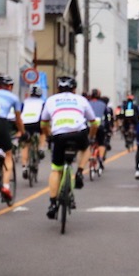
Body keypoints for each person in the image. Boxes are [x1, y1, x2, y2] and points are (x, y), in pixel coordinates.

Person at [40, 74, 98, 219]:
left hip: (59, 135)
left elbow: (44, 123)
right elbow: (94, 122)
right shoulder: (81, 99)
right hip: (78, 133)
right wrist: (90, 137)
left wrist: (48, 137)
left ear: (58, 88)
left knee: (56, 169)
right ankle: (79, 172)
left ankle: (53, 203)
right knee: (86, 148)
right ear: (74, 89)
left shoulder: (51, 100)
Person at [0, 75, 24, 204]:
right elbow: (18, 119)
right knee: (8, 154)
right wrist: (22, 132)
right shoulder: (13, 97)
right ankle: (6, 186)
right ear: (10, 87)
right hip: (1, 121)